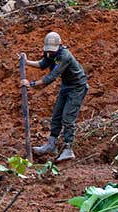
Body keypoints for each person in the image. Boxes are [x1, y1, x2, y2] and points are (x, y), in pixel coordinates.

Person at [20, 31, 88, 162]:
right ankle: (51, 145)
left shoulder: (65, 56)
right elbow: (42, 64)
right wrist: (26, 61)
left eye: (52, 51)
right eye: (48, 51)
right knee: (56, 116)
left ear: (60, 45)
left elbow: (51, 77)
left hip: (77, 88)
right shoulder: (51, 53)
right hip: (66, 86)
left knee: (68, 118)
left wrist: (31, 83)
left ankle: (68, 149)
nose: (50, 53)